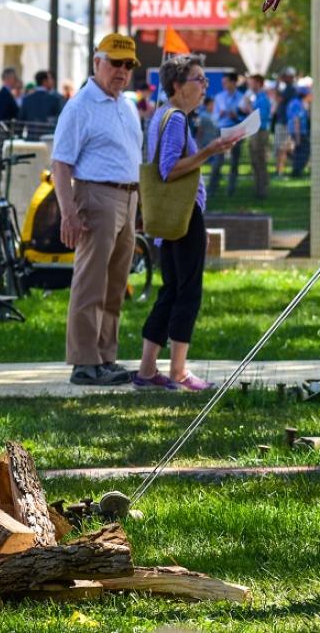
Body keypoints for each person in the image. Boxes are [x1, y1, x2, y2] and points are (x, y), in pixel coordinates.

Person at [134, 54, 239, 392]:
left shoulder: (163, 115)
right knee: (188, 290)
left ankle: (147, 370)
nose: (205, 86)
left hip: (172, 217)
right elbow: (168, 169)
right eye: (199, 79)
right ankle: (178, 371)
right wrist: (210, 150)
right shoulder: (176, 118)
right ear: (178, 85)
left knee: (171, 289)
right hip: (183, 215)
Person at [51, 33, 144, 386]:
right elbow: (61, 163)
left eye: (128, 65)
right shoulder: (80, 106)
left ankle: (105, 357)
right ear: (97, 63)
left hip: (127, 197)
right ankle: (84, 362)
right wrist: (69, 212)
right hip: (96, 196)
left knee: (116, 284)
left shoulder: (127, 105)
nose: (122, 71)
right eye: (115, 63)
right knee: (91, 282)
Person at [209, 71, 245, 196]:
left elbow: (246, 116)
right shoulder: (219, 97)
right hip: (221, 130)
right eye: (223, 82)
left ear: (234, 82)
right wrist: (219, 115)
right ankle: (212, 189)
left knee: (235, 161)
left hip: (236, 130)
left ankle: (231, 190)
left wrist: (236, 117)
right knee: (218, 160)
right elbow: (214, 117)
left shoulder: (242, 97)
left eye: (226, 82)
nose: (224, 85)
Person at [243, 73, 271, 199]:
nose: (250, 85)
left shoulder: (262, 99)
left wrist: (248, 106)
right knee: (256, 161)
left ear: (259, 83)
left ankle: (262, 191)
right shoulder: (258, 98)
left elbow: (258, 117)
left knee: (259, 161)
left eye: (252, 82)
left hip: (260, 132)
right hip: (257, 131)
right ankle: (259, 189)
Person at [272, 66, 296, 175]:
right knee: (282, 148)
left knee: (282, 148)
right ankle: (280, 170)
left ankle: (280, 172)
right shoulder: (288, 88)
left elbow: (278, 98)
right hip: (283, 121)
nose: (283, 78)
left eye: (285, 76)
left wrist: (277, 84)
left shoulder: (291, 88)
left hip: (285, 122)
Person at [286, 83, 310, 177]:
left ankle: (296, 171)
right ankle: (297, 172)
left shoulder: (294, 102)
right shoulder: (298, 104)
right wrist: (298, 136)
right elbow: (296, 120)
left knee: (297, 151)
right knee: (303, 151)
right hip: (299, 132)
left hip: (294, 131)